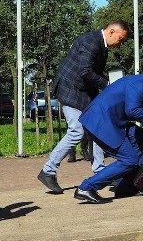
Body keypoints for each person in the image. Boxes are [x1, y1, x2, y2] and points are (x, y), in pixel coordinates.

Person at [37, 20, 130, 194]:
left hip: (84, 92)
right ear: (111, 32)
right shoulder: (91, 42)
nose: (121, 44)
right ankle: (48, 171)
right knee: (77, 131)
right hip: (70, 90)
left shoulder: (101, 45)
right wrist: (107, 85)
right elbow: (85, 71)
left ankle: (101, 171)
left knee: (96, 128)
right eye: (121, 39)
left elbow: (90, 73)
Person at [74, 63, 143, 204]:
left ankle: (124, 186)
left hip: (110, 121)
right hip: (100, 122)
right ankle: (86, 187)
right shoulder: (141, 84)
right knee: (129, 160)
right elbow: (133, 110)